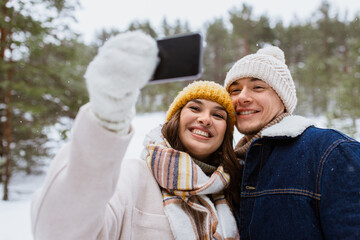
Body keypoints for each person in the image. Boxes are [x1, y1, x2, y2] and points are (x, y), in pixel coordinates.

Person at [30, 31, 241, 240]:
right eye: (195, 108)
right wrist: (108, 115)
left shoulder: (232, 193)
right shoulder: (134, 178)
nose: (205, 119)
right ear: (175, 120)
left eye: (218, 115)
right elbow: (61, 231)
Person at [223, 45, 360, 239]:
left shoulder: (331, 151)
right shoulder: (230, 167)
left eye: (258, 87)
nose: (242, 97)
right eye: (234, 90)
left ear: (282, 98)